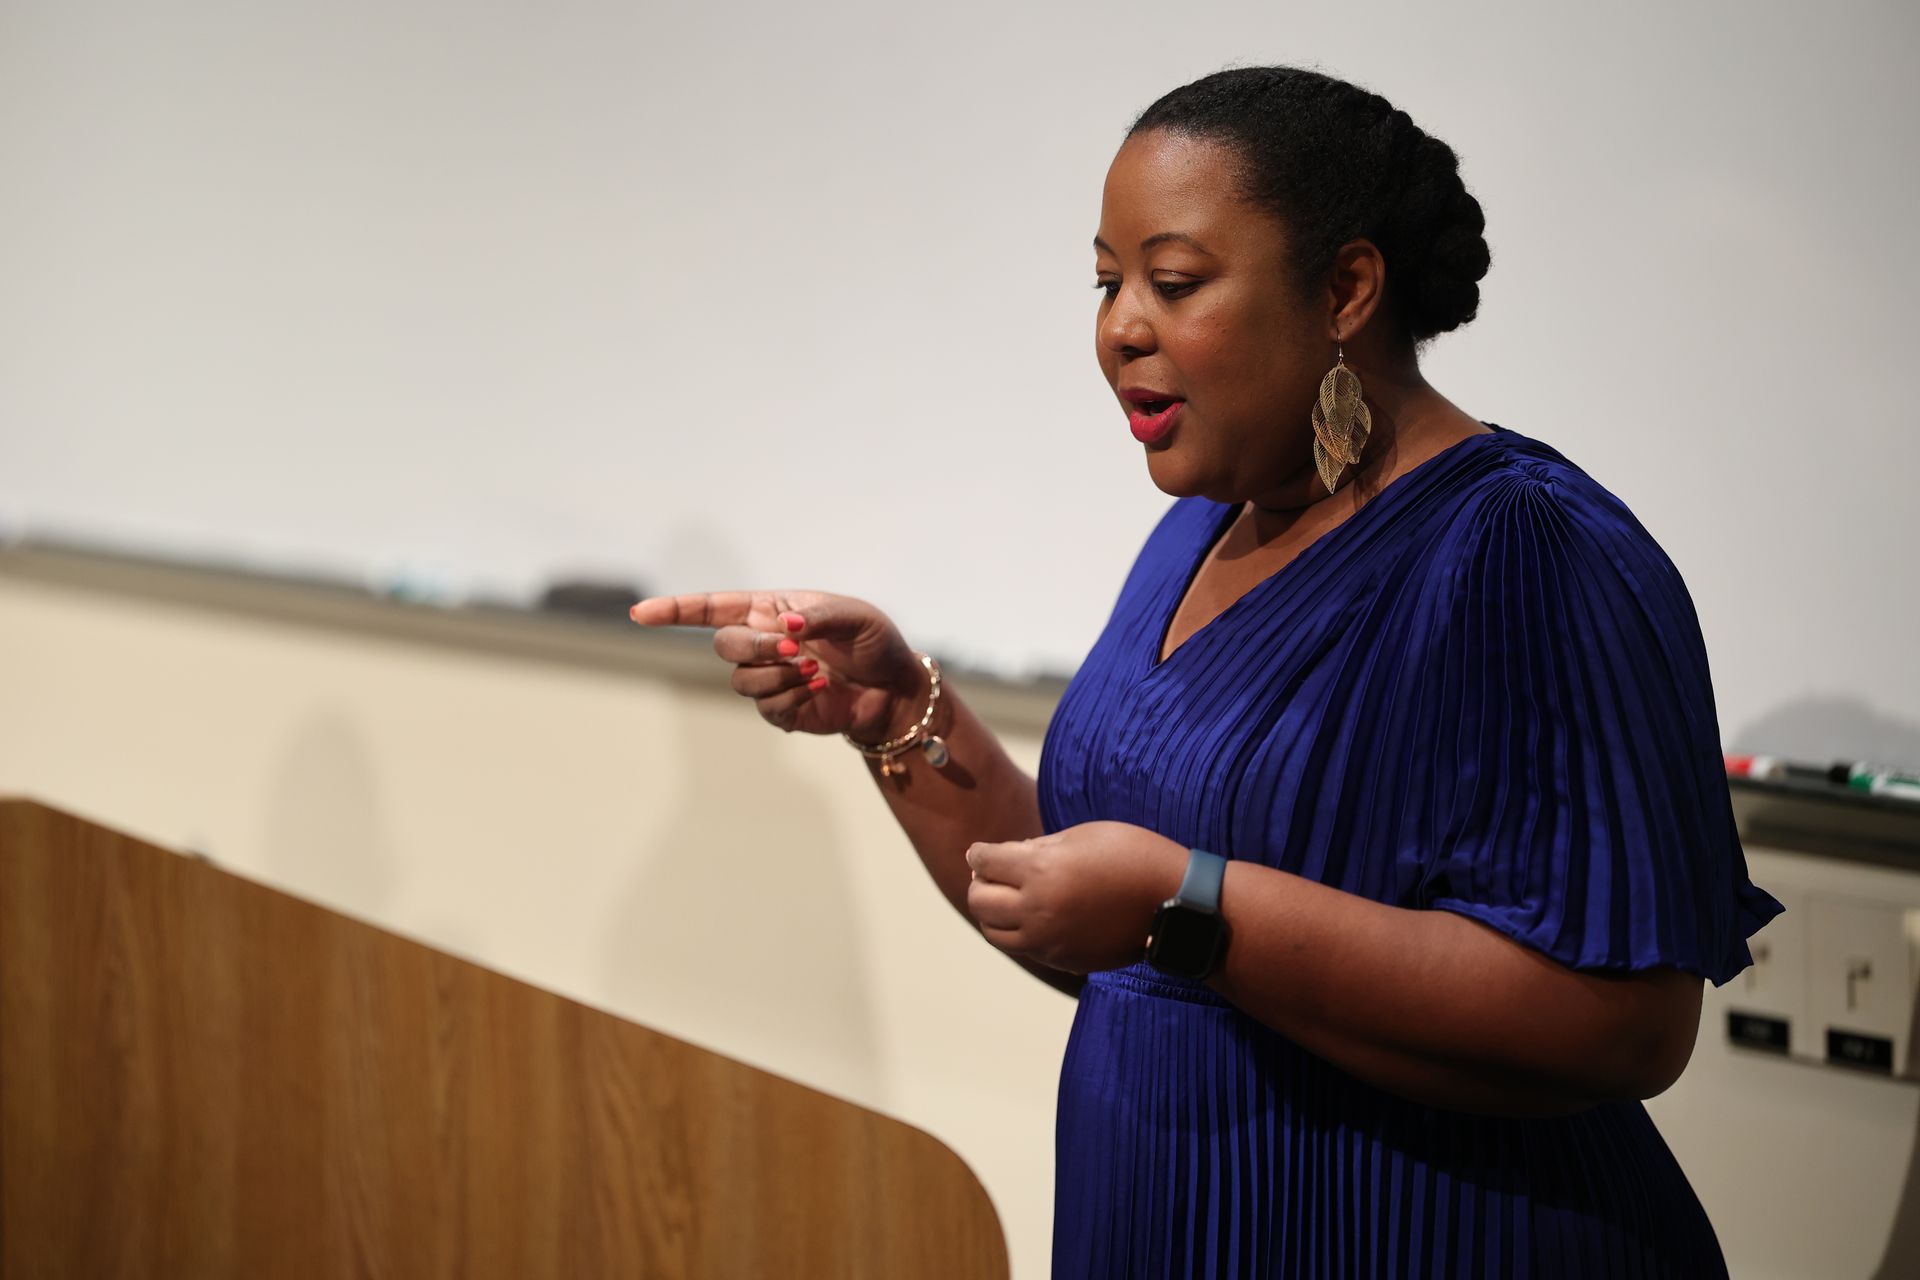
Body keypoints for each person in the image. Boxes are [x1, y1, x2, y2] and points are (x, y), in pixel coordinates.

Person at [629, 64, 1784, 1279]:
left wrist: (1192, 906)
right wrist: (898, 713)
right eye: (1106, 281)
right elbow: (1098, 911)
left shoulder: (1526, 546)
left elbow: (1624, 1022)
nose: (1120, 325)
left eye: (1173, 282)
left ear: (1347, 287)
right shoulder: (1202, 523)